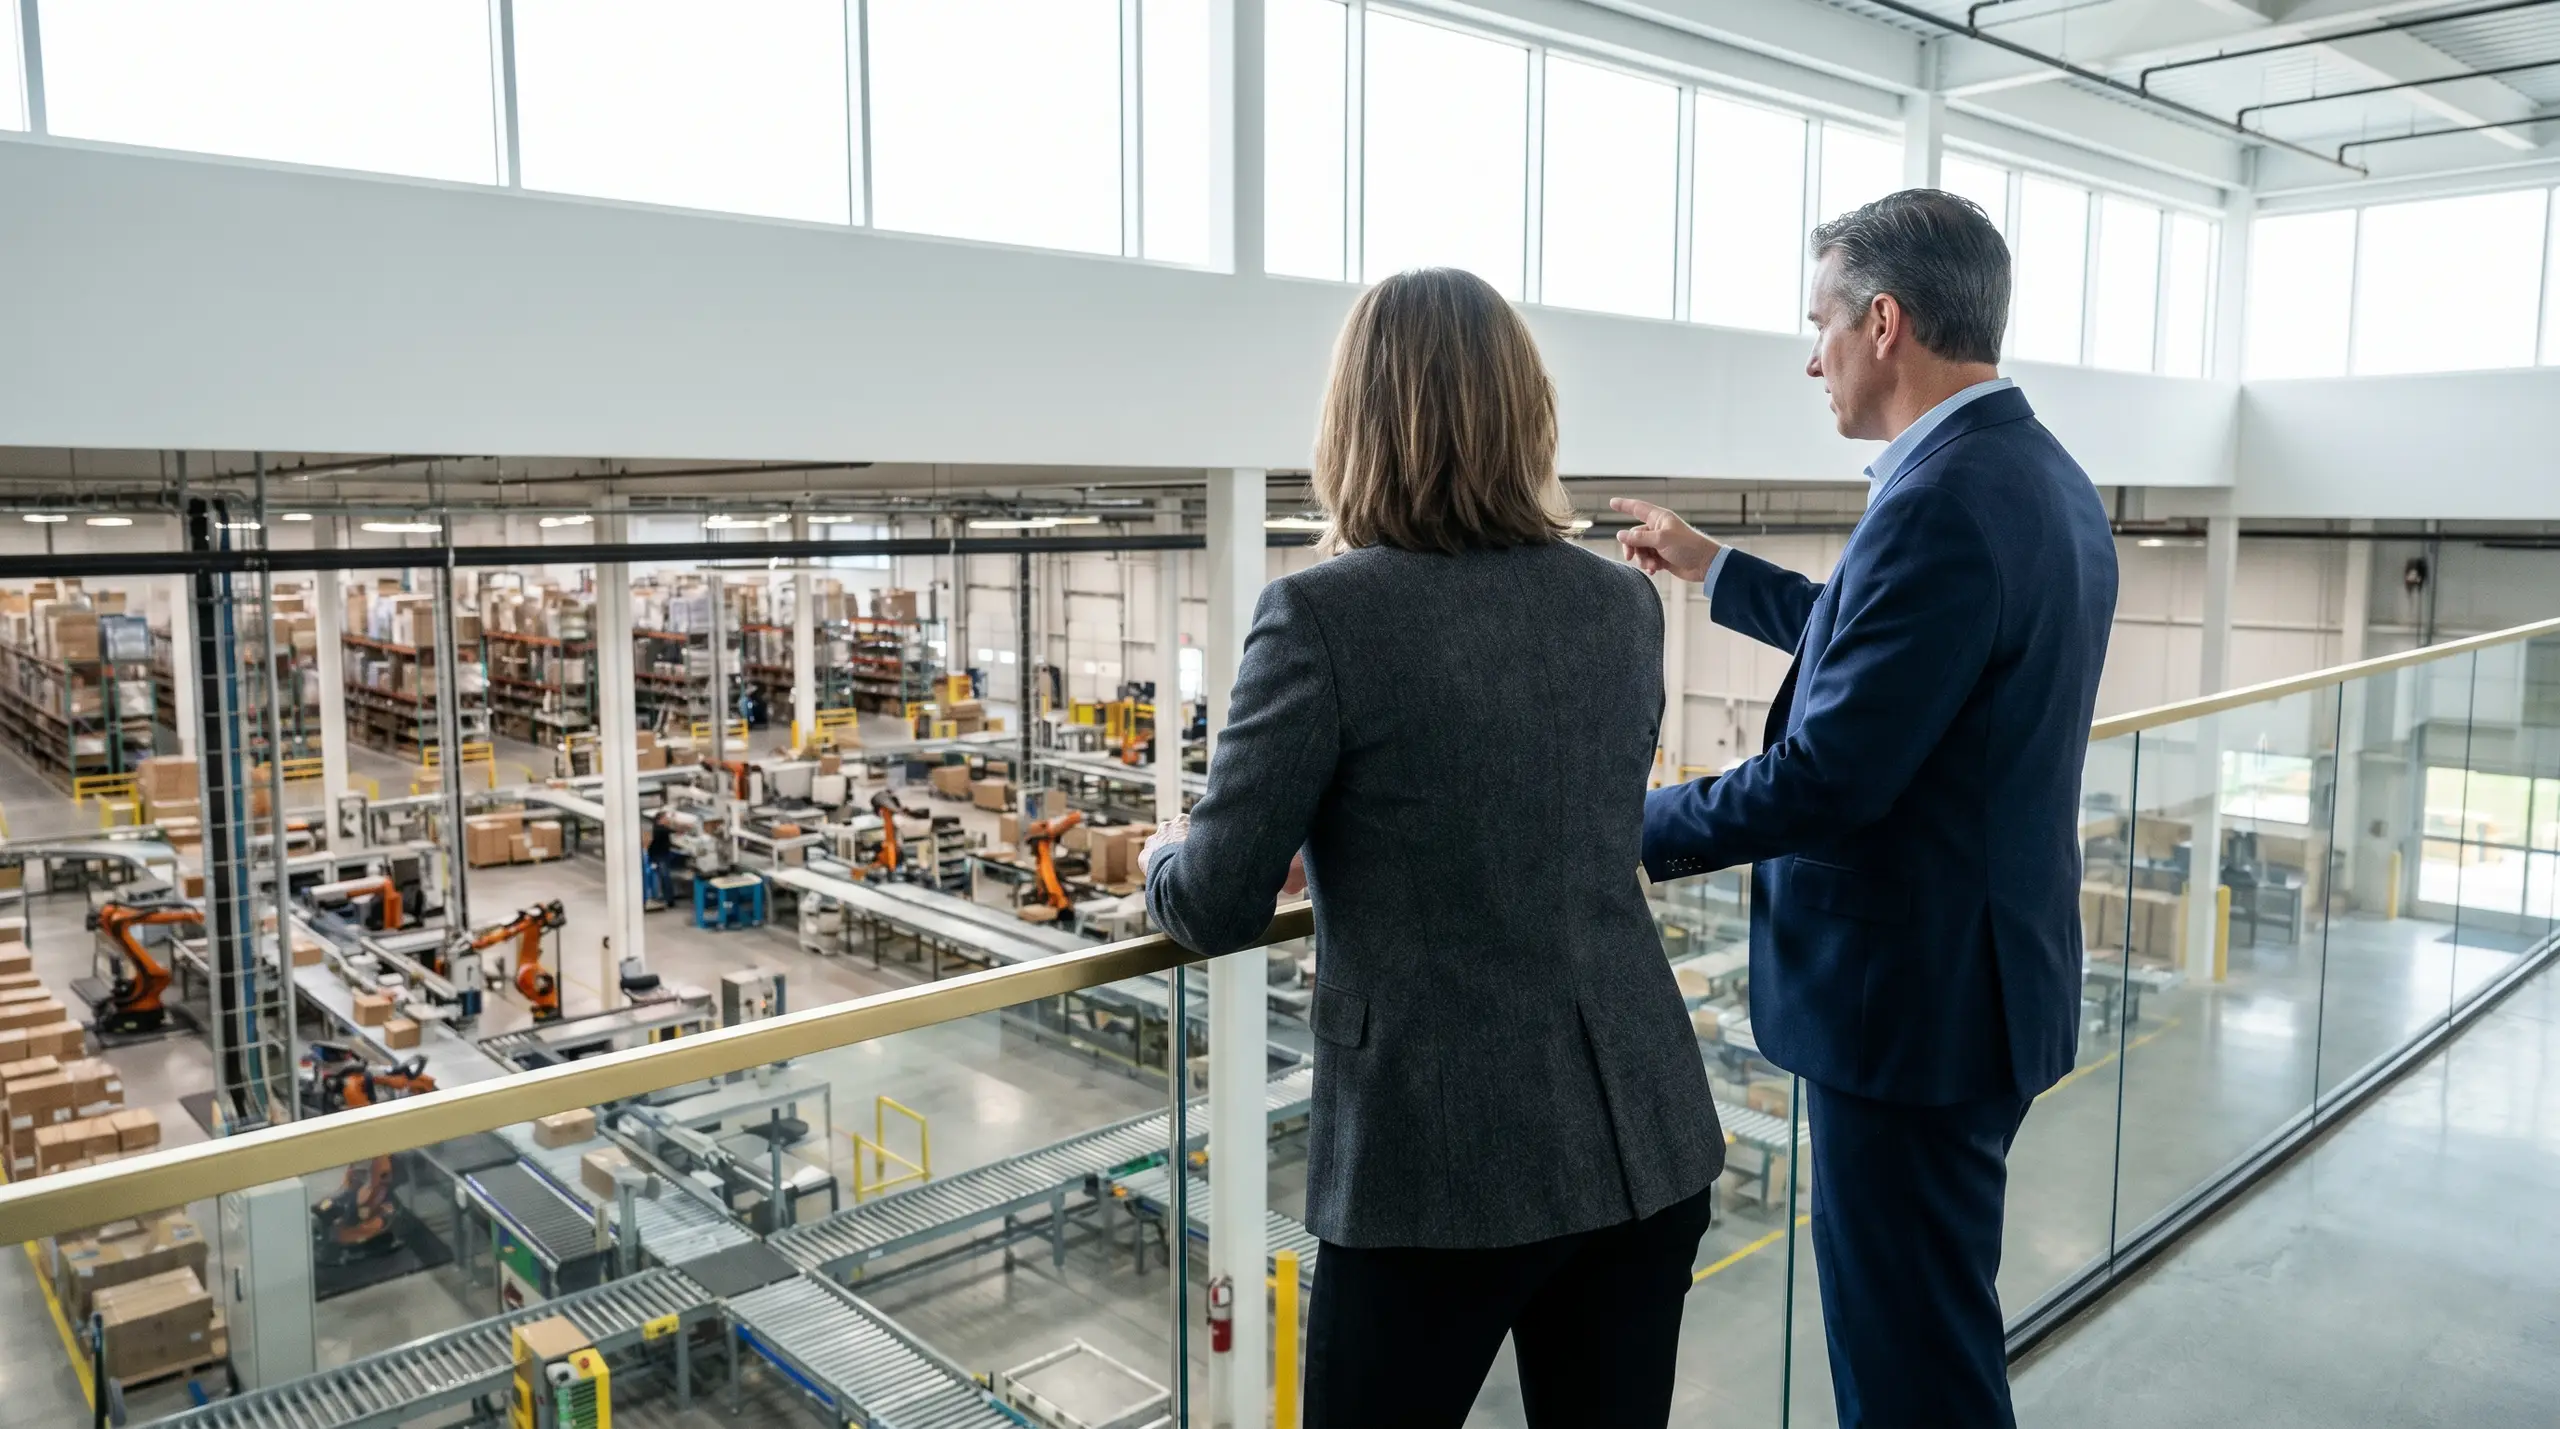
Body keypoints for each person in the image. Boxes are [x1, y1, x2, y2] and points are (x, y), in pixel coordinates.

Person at [1141, 267, 1724, 1429]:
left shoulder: (1324, 614)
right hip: (1639, 1138)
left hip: (1432, 1162)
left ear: (1354, 422)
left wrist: (1169, 848)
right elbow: (1551, 814)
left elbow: (1212, 903)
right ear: (1528, 413)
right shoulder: (1620, 607)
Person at [1615, 189, 2117, 1429]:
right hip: (1974, 981)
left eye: (1821, 322)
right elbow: (1891, 657)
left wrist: (1619, 829)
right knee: (1931, 1331)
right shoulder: (2034, 474)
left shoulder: (1941, 497)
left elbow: (1833, 772)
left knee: (1907, 1367)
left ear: (1883, 323)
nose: (1811, 354)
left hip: (1911, 1013)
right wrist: (1715, 567)